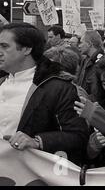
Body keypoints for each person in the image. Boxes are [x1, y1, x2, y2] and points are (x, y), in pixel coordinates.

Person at [0, 23, 88, 164]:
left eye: (4, 46)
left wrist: (38, 141)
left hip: (31, 175)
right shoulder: (2, 82)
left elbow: (78, 136)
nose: (0, 51)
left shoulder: (58, 88)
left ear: (27, 49)